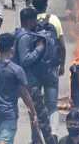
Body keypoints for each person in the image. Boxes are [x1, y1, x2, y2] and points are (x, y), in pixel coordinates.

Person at [13, 7, 57, 144]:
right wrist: (39, 48)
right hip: (30, 83)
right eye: (34, 20)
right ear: (29, 21)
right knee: (42, 117)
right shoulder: (25, 37)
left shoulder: (22, 33)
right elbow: (25, 60)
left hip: (29, 81)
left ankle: (36, 140)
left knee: (35, 115)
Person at [31, 0, 66, 130]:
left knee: (34, 106)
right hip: (51, 68)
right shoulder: (54, 20)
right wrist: (62, 64)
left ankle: (36, 137)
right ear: (46, 4)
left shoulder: (29, 20)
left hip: (34, 69)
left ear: (33, 5)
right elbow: (62, 46)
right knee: (52, 107)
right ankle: (54, 135)